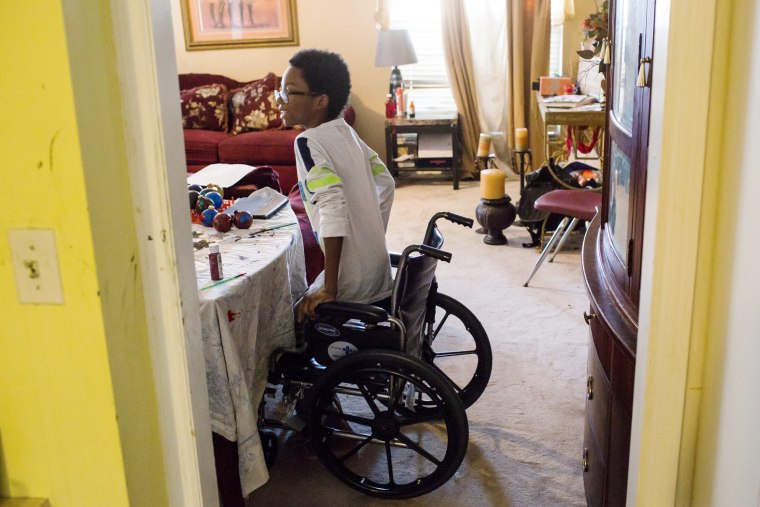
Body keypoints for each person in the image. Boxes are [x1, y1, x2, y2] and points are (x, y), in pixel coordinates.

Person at [276, 49, 395, 322]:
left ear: (320, 100)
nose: (280, 101)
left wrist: (330, 288)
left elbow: (331, 205)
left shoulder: (308, 142)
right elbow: (385, 182)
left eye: (289, 92)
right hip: (377, 271)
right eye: (279, 91)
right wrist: (371, 236)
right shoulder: (346, 132)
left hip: (349, 282)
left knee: (289, 314)